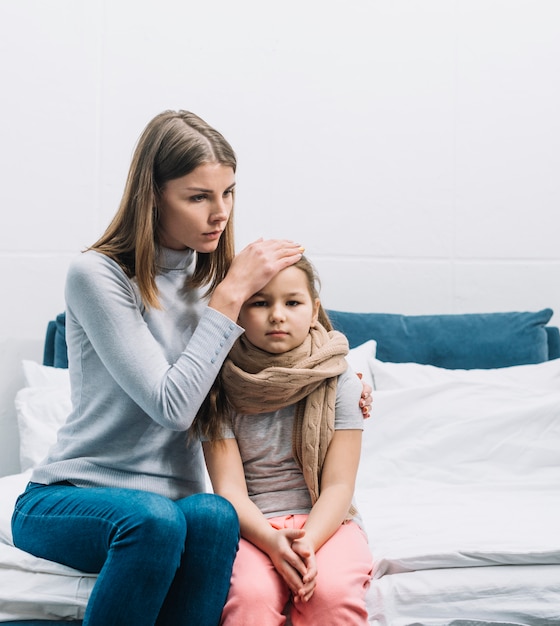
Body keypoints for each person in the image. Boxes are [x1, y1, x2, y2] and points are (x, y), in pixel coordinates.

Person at [11, 110, 371, 626]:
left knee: (214, 514)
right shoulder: (99, 276)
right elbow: (173, 407)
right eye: (198, 196)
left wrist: (348, 381)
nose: (219, 213)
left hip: (176, 507)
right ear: (152, 196)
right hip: (74, 497)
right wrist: (227, 296)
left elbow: (299, 337)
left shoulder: (220, 284)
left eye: (227, 193)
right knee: (156, 521)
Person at [197, 255, 373, 626]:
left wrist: (306, 543)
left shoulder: (341, 380)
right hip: (253, 525)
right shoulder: (215, 386)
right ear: (238, 313)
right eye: (259, 303)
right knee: (250, 597)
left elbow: (340, 485)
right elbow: (229, 490)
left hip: (329, 521)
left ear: (314, 312)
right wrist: (273, 543)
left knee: (332, 594)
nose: (277, 315)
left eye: (292, 302)